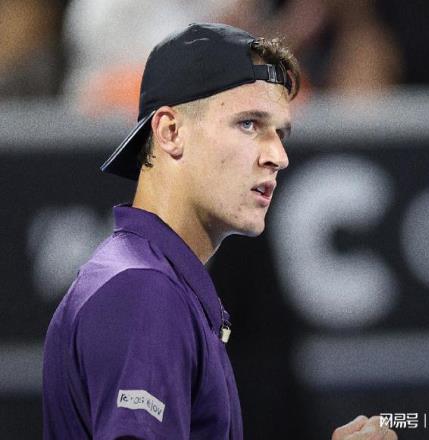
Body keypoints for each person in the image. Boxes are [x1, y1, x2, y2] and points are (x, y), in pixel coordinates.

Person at [42, 23, 397, 440]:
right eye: (248, 124)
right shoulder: (145, 291)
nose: (278, 156)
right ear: (171, 132)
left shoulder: (152, 282)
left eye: (280, 133)